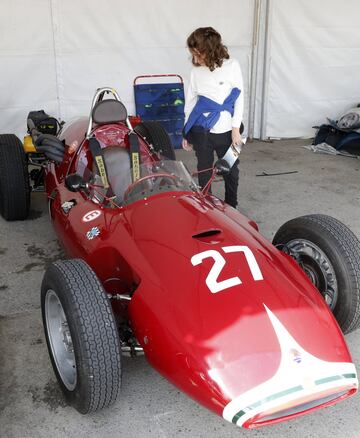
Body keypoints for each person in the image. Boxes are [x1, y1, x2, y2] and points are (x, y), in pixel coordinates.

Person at [182, 27, 244, 208]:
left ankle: (232, 205)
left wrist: (235, 129)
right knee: (204, 170)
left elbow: (239, 97)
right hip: (202, 129)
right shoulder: (195, 72)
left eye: (198, 54)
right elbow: (190, 103)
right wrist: (186, 131)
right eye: (193, 54)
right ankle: (207, 206)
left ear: (210, 50)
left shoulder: (232, 66)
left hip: (227, 129)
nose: (195, 58)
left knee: (231, 170)